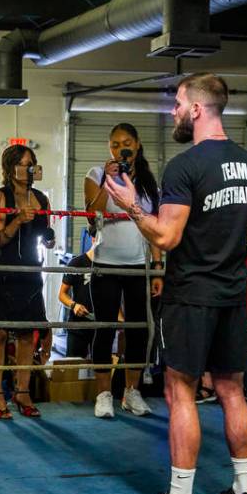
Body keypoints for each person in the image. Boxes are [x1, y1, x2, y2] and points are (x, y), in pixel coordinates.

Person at [104, 73, 247, 494]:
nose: (173, 111)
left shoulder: (185, 166)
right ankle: (243, 493)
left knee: (181, 392)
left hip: (192, 294)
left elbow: (167, 235)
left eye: (177, 103)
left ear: (197, 109)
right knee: (232, 390)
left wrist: (132, 205)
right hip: (233, 294)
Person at [84, 123, 163, 418]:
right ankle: (104, 394)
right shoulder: (96, 174)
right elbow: (95, 212)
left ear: (138, 144)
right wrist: (110, 179)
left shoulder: (147, 182)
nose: (121, 149)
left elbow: (155, 227)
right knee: (105, 329)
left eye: (126, 143)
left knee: (138, 330)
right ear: (109, 148)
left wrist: (157, 268)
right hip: (105, 262)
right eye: (115, 144)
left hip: (137, 265)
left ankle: (132, 392)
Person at [0, 145, 55, 419]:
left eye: (32, 163)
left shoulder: (41, 199)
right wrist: (16, 221)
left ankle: (22, 392)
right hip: (4, 271)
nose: (29, 168)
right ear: (11, 167)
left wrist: (49, 238)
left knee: (27, 334)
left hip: (30, 271)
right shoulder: (0, 198)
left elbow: (46, 238)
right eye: (25, 163)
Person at [58, 242, 96, 360]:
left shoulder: (109, 266)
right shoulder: (76, 263)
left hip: (100, 326)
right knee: (74, 369)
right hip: (78, 326)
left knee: (101, 367)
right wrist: (74, 305)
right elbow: (62, 294)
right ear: (94, 239)